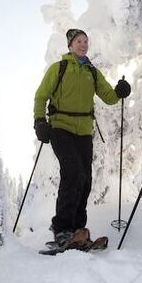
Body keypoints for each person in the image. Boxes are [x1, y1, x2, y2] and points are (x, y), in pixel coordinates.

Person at [33, 28, 131, 249]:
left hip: (85, 131)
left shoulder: (92, 71)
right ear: (70, 45)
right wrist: (40, 121)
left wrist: (120, 91)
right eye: (79, 41)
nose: (83, 44)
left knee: (85, 179)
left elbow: (109, 97)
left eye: (86, 41)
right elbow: (41, 96)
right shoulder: (59, 68)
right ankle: (62, 229)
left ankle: (78, 230)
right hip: (61, 128)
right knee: (73, 173)